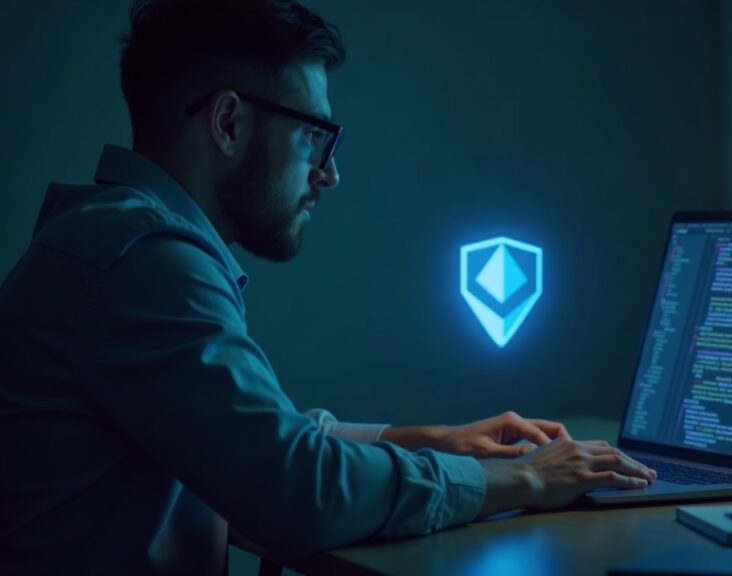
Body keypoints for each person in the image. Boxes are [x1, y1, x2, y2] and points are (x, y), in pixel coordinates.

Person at [0, 1, 655, 574]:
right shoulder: (142, 259)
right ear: (228, 123)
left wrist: (430, 439)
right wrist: (525, 478)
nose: (329, 173)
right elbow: (294, 488)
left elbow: (257, 444)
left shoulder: (114, 241)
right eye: (315, 135)